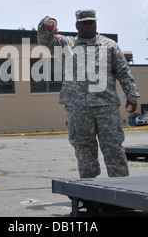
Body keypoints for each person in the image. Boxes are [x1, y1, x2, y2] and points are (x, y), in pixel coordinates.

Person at [37, 9, 140, 178]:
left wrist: (131, 95)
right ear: (77, 25)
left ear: (96, 23)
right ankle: (90, 192)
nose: (88, 25)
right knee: (84, 149)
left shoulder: (109, 45)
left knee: (113, 148)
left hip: (106, 106)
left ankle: (121, 191)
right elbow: (45, 41)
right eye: (84, 23)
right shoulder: (66, 45)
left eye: (91, 22)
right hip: (78, 107)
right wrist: (47, 23)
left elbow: (123, 72)